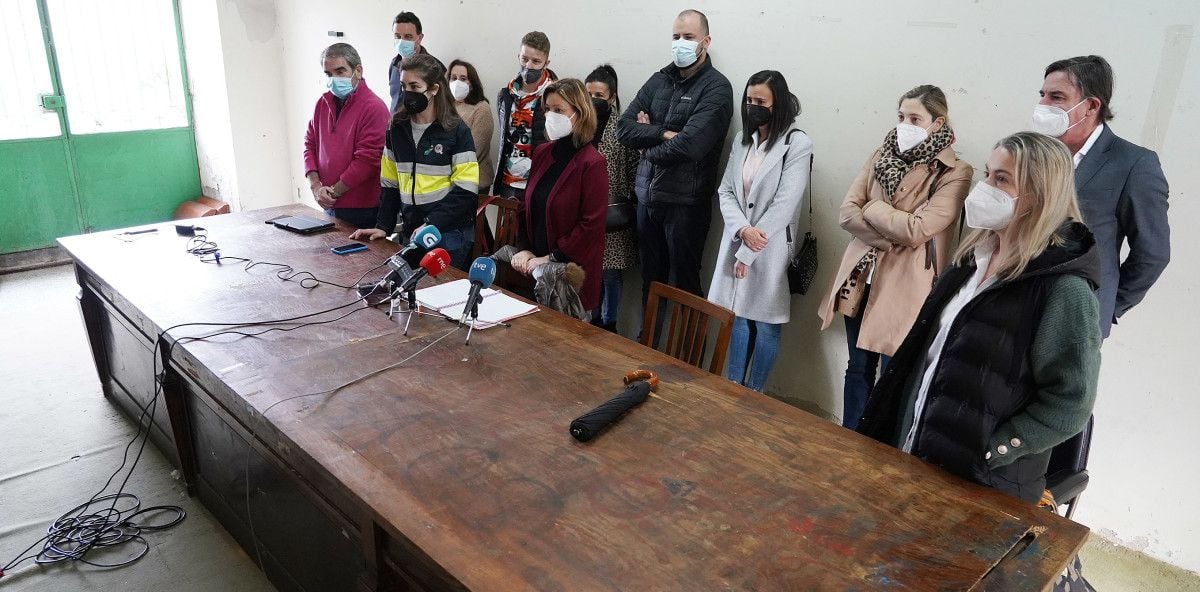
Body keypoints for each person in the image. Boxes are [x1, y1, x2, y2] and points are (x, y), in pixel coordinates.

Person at [857, 132, 1101, 591]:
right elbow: (928, 356)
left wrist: (995, 449)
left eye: (1001, 179)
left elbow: (1071, 402)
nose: (984, 187)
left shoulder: (1062, 290)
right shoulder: (973, 259)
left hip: (985, 484)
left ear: (1037, 196)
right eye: (988, 173)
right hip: (922, 458)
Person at [817, 85, 972, 430]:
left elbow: (920, 230)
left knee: (893, 371)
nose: (905, 124)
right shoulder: (880, 154)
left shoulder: (955, 171)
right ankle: (850, 439)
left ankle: (882, 449)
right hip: (861, 276)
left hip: (907, 286)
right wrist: (889, 234)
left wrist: (872, 208)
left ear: (937, 123)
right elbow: (845, 213)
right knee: (857, 367)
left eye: (915, 118)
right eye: (901, 116)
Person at [1034, 55, 1170, 338]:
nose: (1043, 105)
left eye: (1056, 97)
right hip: (1018, 306)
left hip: (1076, 322)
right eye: (1042, 95)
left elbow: (1152, 254)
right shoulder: (1036, 155)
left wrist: (1106, 306)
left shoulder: (1134, 164)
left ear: (1091, 106)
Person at [617, 9, 732, 300]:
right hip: (647, 200)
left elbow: (689, 146)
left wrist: (645, 143)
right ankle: (648, 346)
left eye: (688, 37)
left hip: (685, 206)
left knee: (685, 289)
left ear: (705, 41)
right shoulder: (659, 80)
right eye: (676, 37)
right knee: (650, 286)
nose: (681, 42)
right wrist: (661, 133)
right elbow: (623, 129)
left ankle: (686, 347)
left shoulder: (717, 88)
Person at [708, 71, 811, 393]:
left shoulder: (797, 143)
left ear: (777, 103)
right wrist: (742, 229)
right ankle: (733, 386)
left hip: (771, 245)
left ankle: (756, 393)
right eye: (749, 101)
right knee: (738, 315)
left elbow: (786, 202)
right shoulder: (743, 139)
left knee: (766, 322)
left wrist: (751, 246)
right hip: (739, 238)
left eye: (760, 101)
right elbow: (726, 190)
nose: (753, 107)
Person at [350, 54, 478, 270]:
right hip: (411, 231)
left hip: (448, 235)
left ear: (434, 89)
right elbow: (389, 183)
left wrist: (431, 224)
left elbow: (466, 192)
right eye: (403, 86)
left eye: (414, 86)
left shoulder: (456, 130)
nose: (407, 93)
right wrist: (383, 225)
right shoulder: (396, 128)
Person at [509, 79, 607, 314]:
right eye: (548, 110)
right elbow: (526, 206)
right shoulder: (543, 152)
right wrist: (524, 248)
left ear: (580, 113)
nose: (551, 116)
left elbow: (591, 225)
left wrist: (552, 257)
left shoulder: (592, 163)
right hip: (534, 271)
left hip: (570, 281)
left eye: (559, 110)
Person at [303, 43, 390, 229]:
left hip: (361, 208)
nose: (334, 78)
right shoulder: (322, 103)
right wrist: (316, 187)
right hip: (328, 203)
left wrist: (333, 192)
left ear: (357, 71)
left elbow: (368, 161)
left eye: (340, 71)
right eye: (328, 74)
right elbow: (309, 144)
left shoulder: (374, 108)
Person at [585, 64, 638, 333]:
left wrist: (627, 200)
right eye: (589, 94)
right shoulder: (580, 125)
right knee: (588, 269)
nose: (594, 100)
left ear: (613, 97)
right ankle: (591, 317)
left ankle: (609, 322)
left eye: (600, 95)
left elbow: (632, 168)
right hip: (584, 211)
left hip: (613, 211)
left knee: (610, 272)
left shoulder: (622, 129)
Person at [493, 31, 558, 199]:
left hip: (539, 183)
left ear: (546, 63)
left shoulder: (555, 96)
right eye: (524, 59)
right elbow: (504, 138)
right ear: (518, 57)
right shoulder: (505, 95)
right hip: (507, 182)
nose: (528, 65)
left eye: (536, 61)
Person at [448, 59, 495, 196]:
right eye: (453, 78)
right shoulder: (445, 106)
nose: (457, 82)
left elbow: (474, 150)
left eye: (463, 79)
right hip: (445, 178)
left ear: (472, 83)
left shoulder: (481, 109)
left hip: (474, 181)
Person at [388, 12, 439, 113]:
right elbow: (395, 100)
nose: (401, 42)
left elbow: (440, 107)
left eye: (408, 36)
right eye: (397, 36)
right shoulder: (394, 64)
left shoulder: (435, 68)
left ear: (419, 38)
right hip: (395, 125)